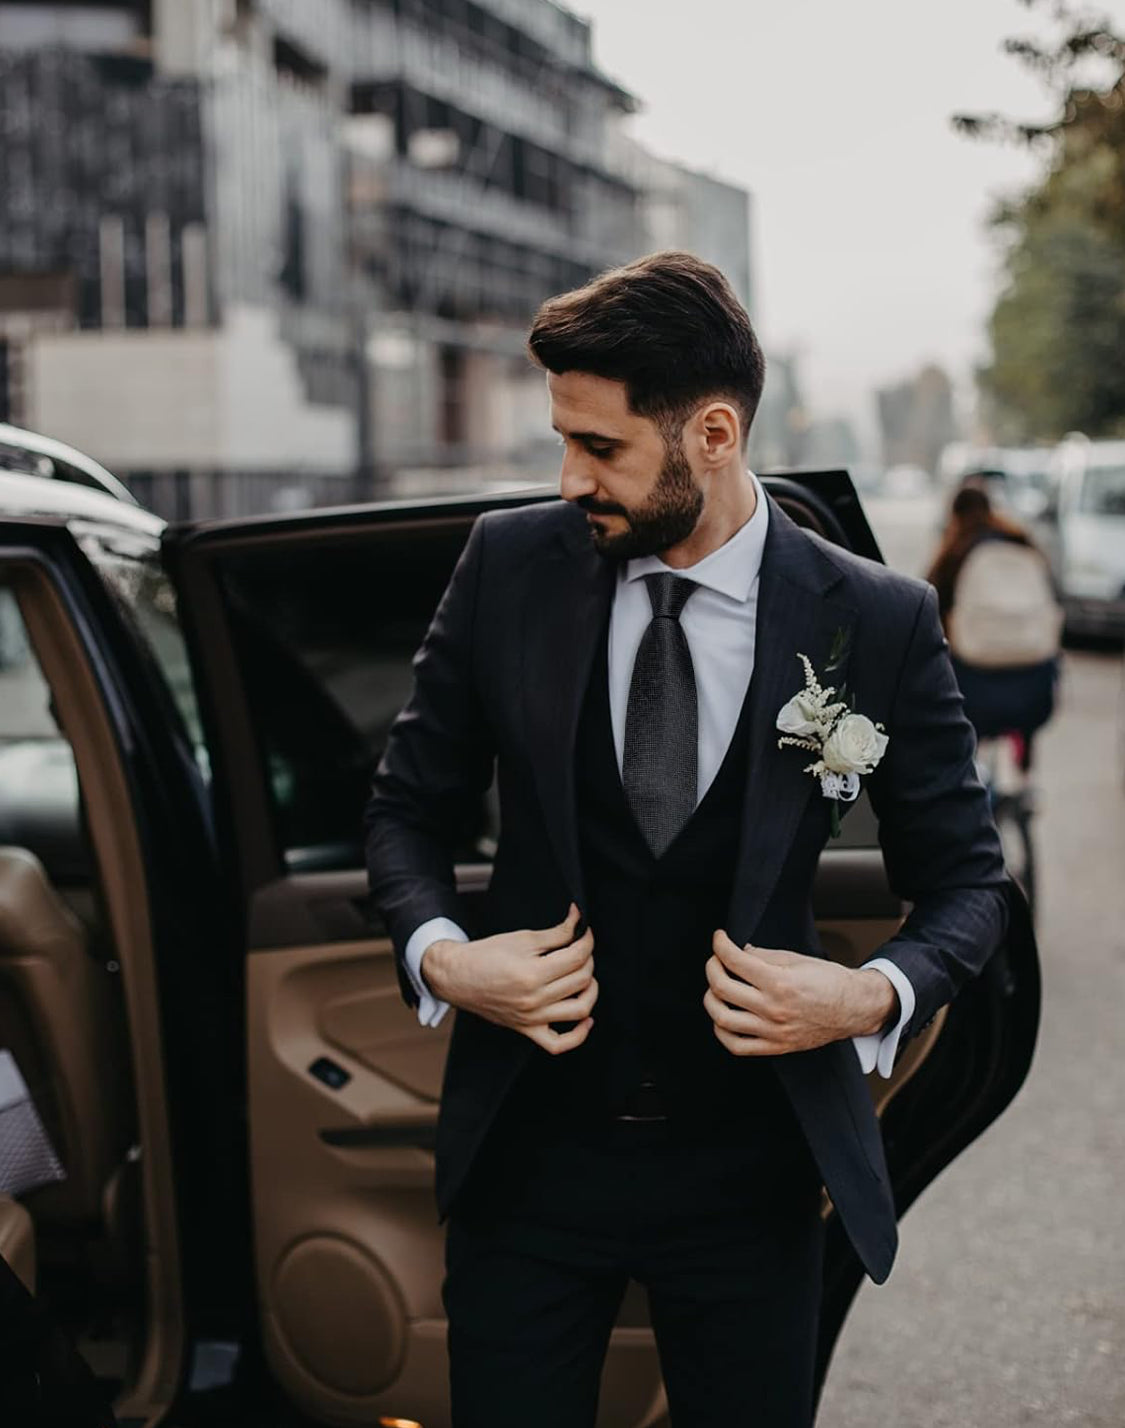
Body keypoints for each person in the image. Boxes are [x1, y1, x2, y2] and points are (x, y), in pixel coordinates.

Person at [363, 252, 1015, 1428]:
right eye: (562, 441)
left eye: (600, 448)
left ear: (712, 433)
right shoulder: (508, 567)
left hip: (751, 1173)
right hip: (530, 1160)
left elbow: (969, 885)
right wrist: (448, 960)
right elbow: (406, 812)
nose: (568, 480)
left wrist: (867, 996)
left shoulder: (875, 617)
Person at [926, 480, 1061, 771]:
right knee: (1024, 721)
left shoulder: (955, 552)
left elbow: (931, 603)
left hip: (975, 675)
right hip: (1033, 673)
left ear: (955, 514)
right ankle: (1024, 773)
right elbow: (1052, 597)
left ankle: (976, 777)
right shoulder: (1022, 541)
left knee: (970, 728)